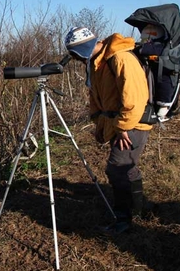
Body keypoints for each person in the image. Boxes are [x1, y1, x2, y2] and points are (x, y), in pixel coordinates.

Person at [65, 27, 153, 234]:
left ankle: (123, 219)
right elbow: (96, 97)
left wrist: (124, 127)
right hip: (118, 123)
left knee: (117, 169)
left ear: (83, 49)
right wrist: (98, 121)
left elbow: (134, 98)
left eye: (76, 54)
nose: (76, 59)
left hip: (132, 124)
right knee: (127, 168)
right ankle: (137, 209)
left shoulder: (121, 58)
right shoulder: (97, 62)